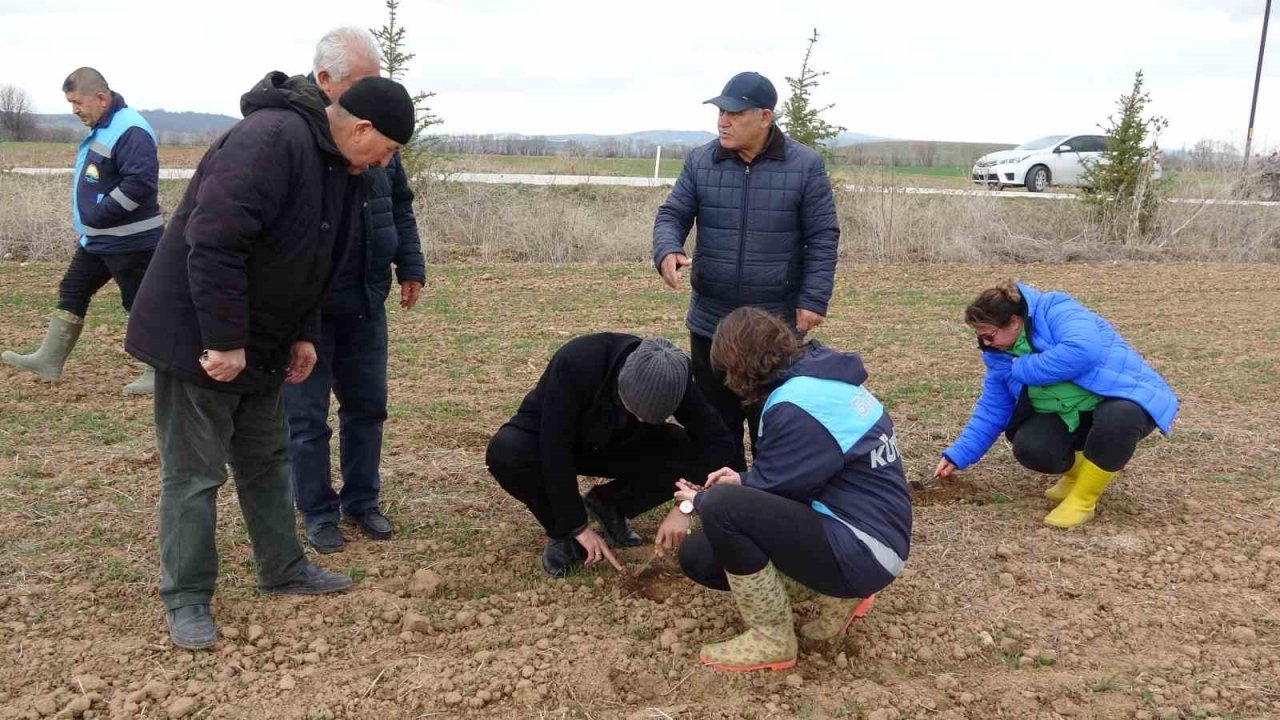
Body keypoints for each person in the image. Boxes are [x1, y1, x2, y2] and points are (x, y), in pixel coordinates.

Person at [124, 72, 416, 650]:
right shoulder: (271, 139)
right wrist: (226, 339)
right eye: (385, 150)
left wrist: (303, 333)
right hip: (199, 339)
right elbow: (214, 241)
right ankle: (186, 597)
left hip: (263, 338)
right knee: (194, 472)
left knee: (266, 457)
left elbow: (312, 259)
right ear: (360, 128)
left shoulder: (341, 166)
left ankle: (282, 567)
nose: (384, 164)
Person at [670, 307, 911, 672]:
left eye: (727, 372)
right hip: (875, 536)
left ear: (742, 366)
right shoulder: (821, 378)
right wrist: (742, 481)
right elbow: (794, 477)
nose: (729, 383)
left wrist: (702, 500)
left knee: (719, 509)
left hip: (862, 549)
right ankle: (840, 595)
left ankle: (773, 639)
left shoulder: (794, 405)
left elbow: (779, 490)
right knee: (703, 549)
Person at [652, 71, 840, 471]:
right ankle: (724, 501)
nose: (723, 120)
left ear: (765, 117)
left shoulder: (805, 165)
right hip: (710, 322)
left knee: (771, 419)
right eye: (721, 111)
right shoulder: (701, 160)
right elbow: (672, 213)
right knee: (716, 424)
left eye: (734, 113)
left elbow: (823, 235)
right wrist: (667, 249)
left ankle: (772, 497)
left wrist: (813, 298)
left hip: (774, 324)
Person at [284, 27, 426, 554]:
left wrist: (409, 263)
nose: (374, 93)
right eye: (364, 82)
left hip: (367, 301)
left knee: (368, 406)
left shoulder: (378, 135)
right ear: (326, 80)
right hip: (310, 308)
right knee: (306, 417)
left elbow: (401, 203)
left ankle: (362, 501)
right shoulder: (302, 139)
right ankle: (318, 511)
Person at [485, 334, 735, 577]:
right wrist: (577, 527)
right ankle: (562, 533)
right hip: (553, 438)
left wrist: (686, 505)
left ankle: (611, 505)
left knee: (684, 447)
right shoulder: (577, 362)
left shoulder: (673, 379)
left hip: (616, 444)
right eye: (634, 410)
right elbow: (555, 449)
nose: (639, 418)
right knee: (507, 452)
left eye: (649, 418)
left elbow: (719, 443)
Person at [935, 281, 1179, 529]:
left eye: (989, 336)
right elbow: (992, 410)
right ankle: (1079, 476)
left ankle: (1083, 500)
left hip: (1128, 397)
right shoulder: (999, 356)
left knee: (1118, 418)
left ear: (1014, 322)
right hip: (1072, 416)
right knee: (1031, 447)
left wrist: (1024, 367)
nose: (985, 344)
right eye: (980, 337)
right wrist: (959, 455)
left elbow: (1083, 351)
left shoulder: (1055, 309)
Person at [2, 68, 162, 395]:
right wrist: (95, 221)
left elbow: (140, 184)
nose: (74, 110)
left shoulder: (131, 130)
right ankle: (49, 359)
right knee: (73, 289)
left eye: (77, 102)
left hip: (131, 240)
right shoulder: (104, 126)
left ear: (100, 98)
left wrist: (101, 213)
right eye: (70, 103)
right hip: (100, 238)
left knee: (142, 302)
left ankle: (160, 372)